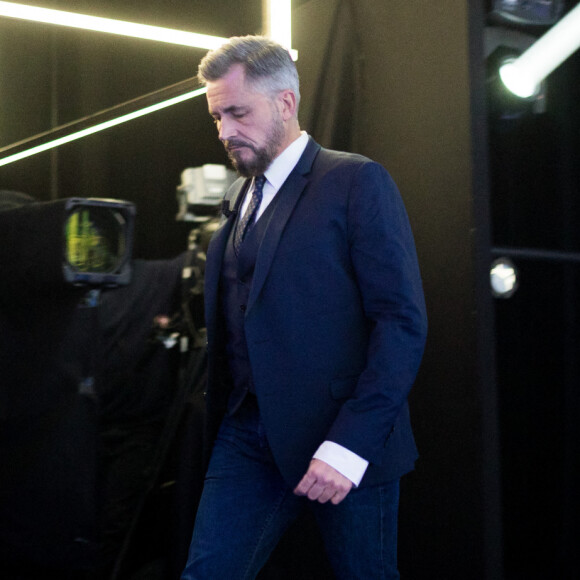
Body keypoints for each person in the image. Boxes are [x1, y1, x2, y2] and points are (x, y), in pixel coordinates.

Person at [181, 35, 427, 580]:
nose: (225, 131)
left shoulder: (355, 181)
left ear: (286, 103)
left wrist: (349, 446)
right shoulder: (241, 197)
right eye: (217, 117)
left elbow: (401, 323)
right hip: (246, 433)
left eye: (238, 113)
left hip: (341, 435)